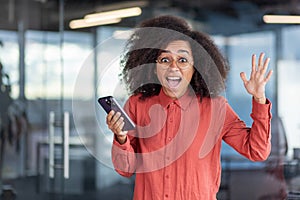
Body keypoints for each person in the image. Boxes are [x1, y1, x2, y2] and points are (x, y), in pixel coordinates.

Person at [105, 15, 273, 200]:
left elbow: (257, 151)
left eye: (182, 60)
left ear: (196, 68)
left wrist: (259, 98)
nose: (173, 67)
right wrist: (121, 138)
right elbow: (125, 169)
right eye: (164, 60)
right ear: (153, 67)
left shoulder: (216, 108)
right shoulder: (137, 104)